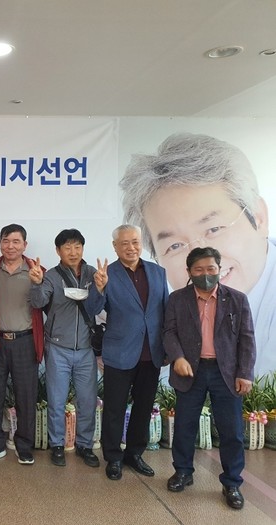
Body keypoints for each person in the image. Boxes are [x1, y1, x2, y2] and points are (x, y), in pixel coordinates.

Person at [121, 132, 273, 376]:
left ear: (259, 217)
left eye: (214, 229)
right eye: (174, 246)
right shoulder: (170, 309)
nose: (199, 258)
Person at [163, 247, 256, 510]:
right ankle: (183, 472)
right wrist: (177, 357)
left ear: (219, 269)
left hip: (225, 373)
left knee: (232, 431)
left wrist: (245, 373)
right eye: (199, 270)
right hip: (190, 370)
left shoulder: (237, 299)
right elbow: (169, 332)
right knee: (185, 426)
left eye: (211, 269)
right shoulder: (177, 299)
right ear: (189, 272)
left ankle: (232, 482)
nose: (205, 274)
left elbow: (247, 339)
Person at [85, 225, 168, 481]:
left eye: (135, 242)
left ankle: (134, 453)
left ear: (141, 243)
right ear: (115, 247)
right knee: (114, 408)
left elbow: (165, 311)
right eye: (124, 243)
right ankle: (113, 457)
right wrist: (99, 289)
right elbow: (92, 309)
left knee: (143, 407)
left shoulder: (157, 272)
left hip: (151, 353)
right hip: (119, 352)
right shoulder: (106, 274)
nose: (131, 248)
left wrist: (166, 348)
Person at [30, 228, 99, 470]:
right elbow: (38, 302)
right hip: (58, 347)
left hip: (86, 349)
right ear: (58, 251)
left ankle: (85, 445)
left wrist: (101, 288)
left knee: (87, 401)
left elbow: (99, 307)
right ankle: (57, 445)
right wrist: (36, 284)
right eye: (67, 247)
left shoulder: (93, 274)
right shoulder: (51, 275)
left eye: (77, 246)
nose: (73, 252)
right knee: (56, 400)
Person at [0, 224, 45, 466]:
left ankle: (24, 446)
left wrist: (38, 283)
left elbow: (44, 305)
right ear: (0, 244)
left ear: (25, 245)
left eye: (16, 241)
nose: (10, 246)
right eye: (6, 241)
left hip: (25, 341)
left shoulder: (37, 270)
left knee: (26, 396)